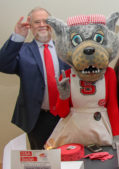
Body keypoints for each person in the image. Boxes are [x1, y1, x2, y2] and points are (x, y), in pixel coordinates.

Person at [0, 7, 69, 149]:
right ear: (30, 26)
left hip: (65, 115)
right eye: (37, 22)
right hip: (38, 118)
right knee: (42, 158)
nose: (42, 25)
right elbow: (3, 64)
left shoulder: (64, 49)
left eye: (46, 21)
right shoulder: (23, 51)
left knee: (68, 156)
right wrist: (18, 37)